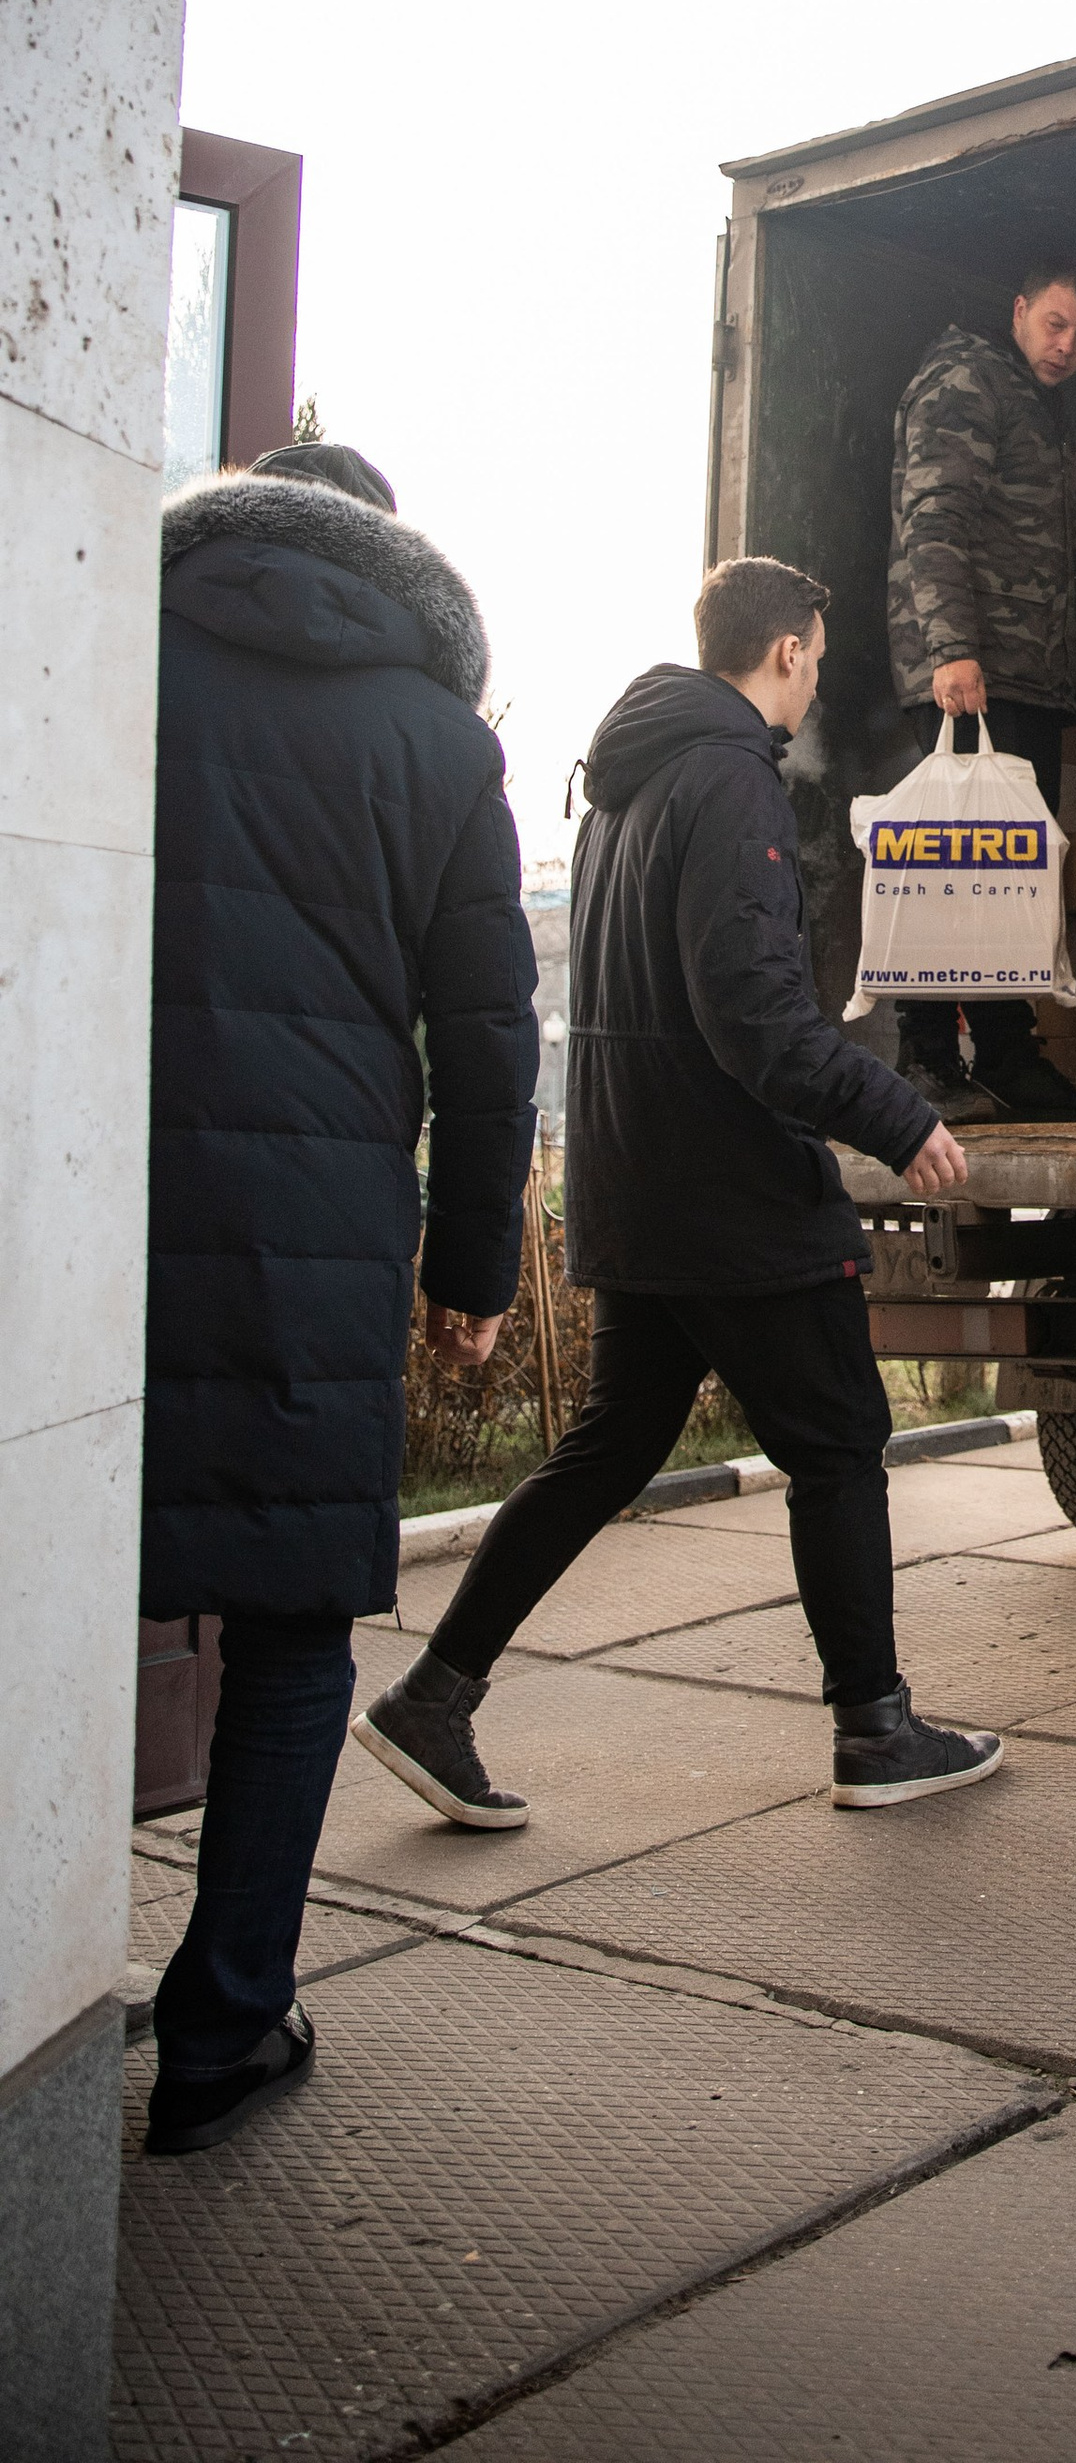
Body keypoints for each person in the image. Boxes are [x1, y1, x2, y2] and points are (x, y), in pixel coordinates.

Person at [360, 558, 1004, 1830]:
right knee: (836, 1445)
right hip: (733, 1197)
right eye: (814, 659)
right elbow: (755, 1016)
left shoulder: (623, 788)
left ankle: (435, 1695)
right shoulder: (728, 781)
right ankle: (874, 1728)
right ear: (782, 655)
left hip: (635, 1181)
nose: (816, 681)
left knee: (608, 1448)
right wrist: (896, 1115)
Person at [142, 445, 537, 2156]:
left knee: (50, 1581)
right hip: (312, 1233)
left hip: (89, 1203)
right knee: (296, 1629)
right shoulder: (442, 744)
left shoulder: (110, 650)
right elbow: (486, 1034)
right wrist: (471, 1271)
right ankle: (224, 2029)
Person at [884, 258, 1076, 1122]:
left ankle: (1008, 1056)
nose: (1066, 346)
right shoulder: (968, 379)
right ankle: (925, 1059)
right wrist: (952, 650)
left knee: (1010, 875)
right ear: (1020, 310)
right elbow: (933, 518)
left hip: (1025, 675)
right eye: (1055, 324)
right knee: (950, 866)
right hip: (969, 674)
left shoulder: (1032, 399)